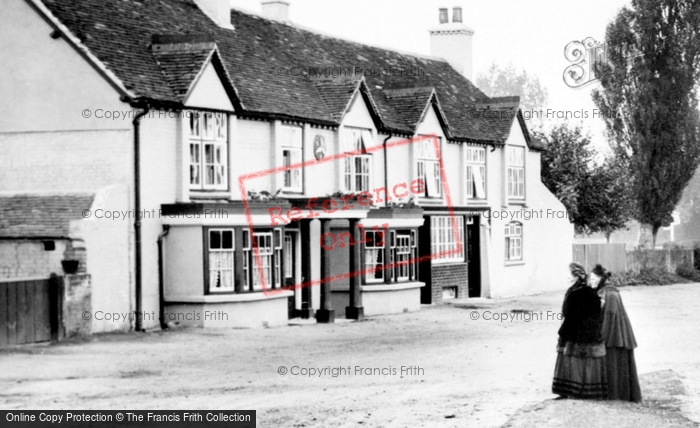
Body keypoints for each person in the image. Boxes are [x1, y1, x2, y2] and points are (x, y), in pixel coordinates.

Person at [552, 262, 607, 399]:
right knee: (580, 361)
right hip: (584, 332)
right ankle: (577, 391)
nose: (566, 277)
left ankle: (573, 391)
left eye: (568, 275)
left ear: (576, 277)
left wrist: (564, 332)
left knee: (573, 360)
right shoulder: (585, 291)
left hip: (578, 333)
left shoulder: (577, 293)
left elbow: (572, 315)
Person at [591, 264, 642, 402]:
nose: (591, 281)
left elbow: (610, 316)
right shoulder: (603, 291)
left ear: (601, 278)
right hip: (613, 334)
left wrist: (601, 336)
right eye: (590, 278)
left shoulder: (611, 293)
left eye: (594, 278)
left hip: (615, 335)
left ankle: (617, 395)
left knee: (614, 364)